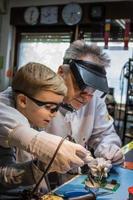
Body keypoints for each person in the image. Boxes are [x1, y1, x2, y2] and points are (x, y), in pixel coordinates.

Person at [0, 41, 124, 184]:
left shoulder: (94, 101)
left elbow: (105, 133)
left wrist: (109, 149)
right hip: (29, 184)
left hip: (71, 183)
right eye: (80, 85)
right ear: (61, 72)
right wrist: (36, 141)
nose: (87, 97)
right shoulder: (32, 91)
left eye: (93, 90)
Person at [0, 62, 93, 196]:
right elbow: (4, 178)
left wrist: (41, 166)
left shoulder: (31, 111)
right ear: (23, 101)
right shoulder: (6, 111)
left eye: (57, 107)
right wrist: (37, 158)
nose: (54, 114)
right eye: (49, 107)